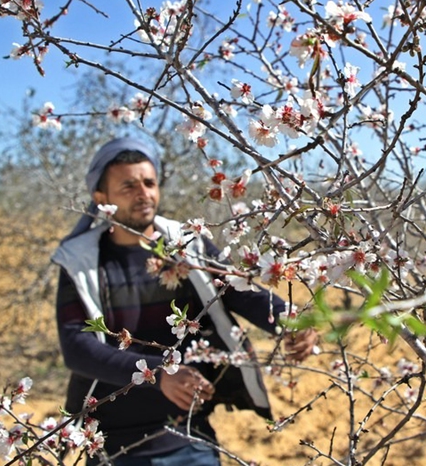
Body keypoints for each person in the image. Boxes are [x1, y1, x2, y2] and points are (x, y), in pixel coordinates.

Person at [52, 137, 318, 465]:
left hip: (191, 438)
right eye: (128, 186)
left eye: (149, 183)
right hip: (114, 446)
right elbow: (77, 347)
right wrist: (158, 373)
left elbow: (236, 289)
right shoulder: (82, 262)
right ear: (100, 198)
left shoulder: (187, 246)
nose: (143, 194)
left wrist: (289, 318)